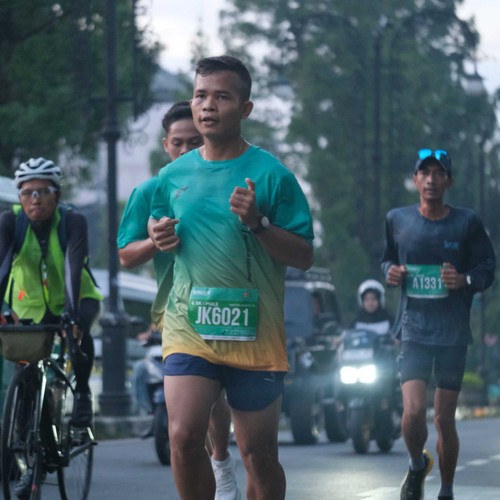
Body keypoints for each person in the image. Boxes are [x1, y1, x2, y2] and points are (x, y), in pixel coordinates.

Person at [148, 55, 314, 500]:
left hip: (254, 333)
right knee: (183, 436)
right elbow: (158, 227)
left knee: (258, 455)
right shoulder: (171, 176)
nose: (207, 105)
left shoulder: (273, 176)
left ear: (245, 108)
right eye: (200, 95)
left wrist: (258, 223)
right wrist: (158, 234)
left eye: (221, 96)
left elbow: (303, 256)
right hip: (189, 327)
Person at [118, 101, 241, 500]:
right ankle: (210, 466)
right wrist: (154, 243)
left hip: (224, 306)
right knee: (185, 426)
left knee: (217, 394)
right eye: (178, 142)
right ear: (165, 145)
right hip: (175, 312)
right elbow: (125, 255)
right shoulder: (150, 190)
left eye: (195, 141)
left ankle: (221, 459)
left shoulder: (228, 182)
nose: (186, 149)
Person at [381, 148, 495, 500]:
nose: (431, 180)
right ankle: (417, 464)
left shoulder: (466, 222)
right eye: (425, 173)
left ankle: (446, 490)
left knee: (444, 419)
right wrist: (390, 272)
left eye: (438, 173)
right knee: (413, 411)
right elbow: (386, 259)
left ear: (449, 181)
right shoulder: (397, 219)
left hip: (453, 333)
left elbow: (488, 268)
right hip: (413, 328)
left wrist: (464, 280)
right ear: (415, 179)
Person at [0, 157, 102, 493]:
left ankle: (82, 393)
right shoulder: (9, 222)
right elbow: (2, 267)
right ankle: (31, 453)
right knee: (26, 375)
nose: (35, 199)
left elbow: (74, 267)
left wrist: (71, 315)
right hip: (29, 305)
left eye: (43, 191)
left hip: (76, 298)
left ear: (56, 195)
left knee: (79, 329)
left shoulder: (72, 221)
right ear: (20, 196)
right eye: (27, 193)